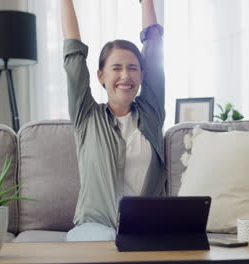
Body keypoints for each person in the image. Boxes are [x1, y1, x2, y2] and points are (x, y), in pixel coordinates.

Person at [61, 0, 165, 241]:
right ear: (101, 76)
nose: (125, 75)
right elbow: (73, 57)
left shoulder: (151, 114)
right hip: (93, 228)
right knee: (108, 239)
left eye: (133, 68)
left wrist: (146, 2)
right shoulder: (85, 115)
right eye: (116, 68)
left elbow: (154, 46)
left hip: (147, 229)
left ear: (142, 75)